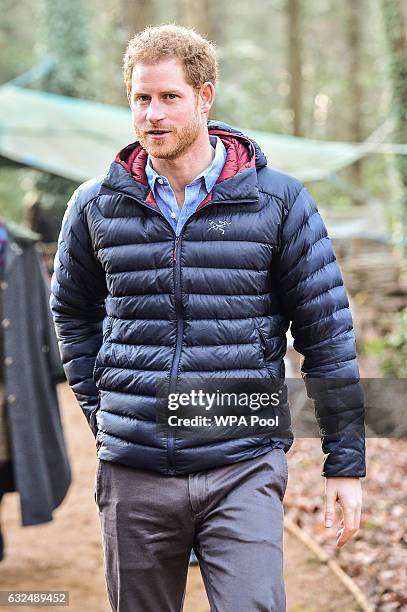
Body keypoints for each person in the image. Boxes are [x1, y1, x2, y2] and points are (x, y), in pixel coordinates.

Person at [50, 25, 365, 612]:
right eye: (141, 98)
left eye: (169, 97)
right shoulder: (94, 206)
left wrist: (344, 462)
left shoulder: (278, 202)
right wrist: (108, 412)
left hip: (241, 462)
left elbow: (326, 334)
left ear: (204, 97)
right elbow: (72, 314)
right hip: (134, 471)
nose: (152, 114)